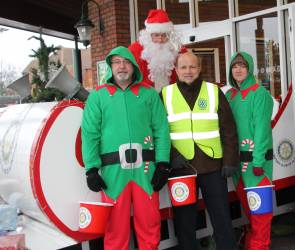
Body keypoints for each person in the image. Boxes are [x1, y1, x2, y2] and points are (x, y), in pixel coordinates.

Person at [81, 46, 171, 250]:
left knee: (150, 224)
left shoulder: (148, 94)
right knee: (115, 228)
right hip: (113, 172)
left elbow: (161, 130)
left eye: (126, 62)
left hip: (145, 171)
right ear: (110, 67)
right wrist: (91, 168)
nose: (122, 66)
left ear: (133, 66)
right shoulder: (98, 97)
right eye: (117, 62)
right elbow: (90, 135)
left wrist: (163, 163)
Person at [161, 52, 239, 250]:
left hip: (213, 166)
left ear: (200, 68)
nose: (188, 71)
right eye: (184, 67)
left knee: (221, 217)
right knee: (185, 223)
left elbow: (228, 128)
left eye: (192, 67)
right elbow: (158, 131)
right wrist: (171, 157)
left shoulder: (214, 91)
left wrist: (230, 160)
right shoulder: (165, 94)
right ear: (176, 70)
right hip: (181, 170)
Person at [225, 52, 273, 250]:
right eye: (234, 66)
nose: (238, 69)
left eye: (242, 65)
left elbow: (262, 129)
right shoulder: (229, 95)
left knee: (261, 215)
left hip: (256, 165)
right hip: (238, 166)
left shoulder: (259, 94)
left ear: (250, 68)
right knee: (249, 211)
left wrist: (259, 161)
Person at [129, 9, 186, 91]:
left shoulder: (178, 50)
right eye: (156, 35)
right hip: (144, 97)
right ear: (149, 35)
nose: (160, 40)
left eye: (164, 35)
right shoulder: (134, 51)